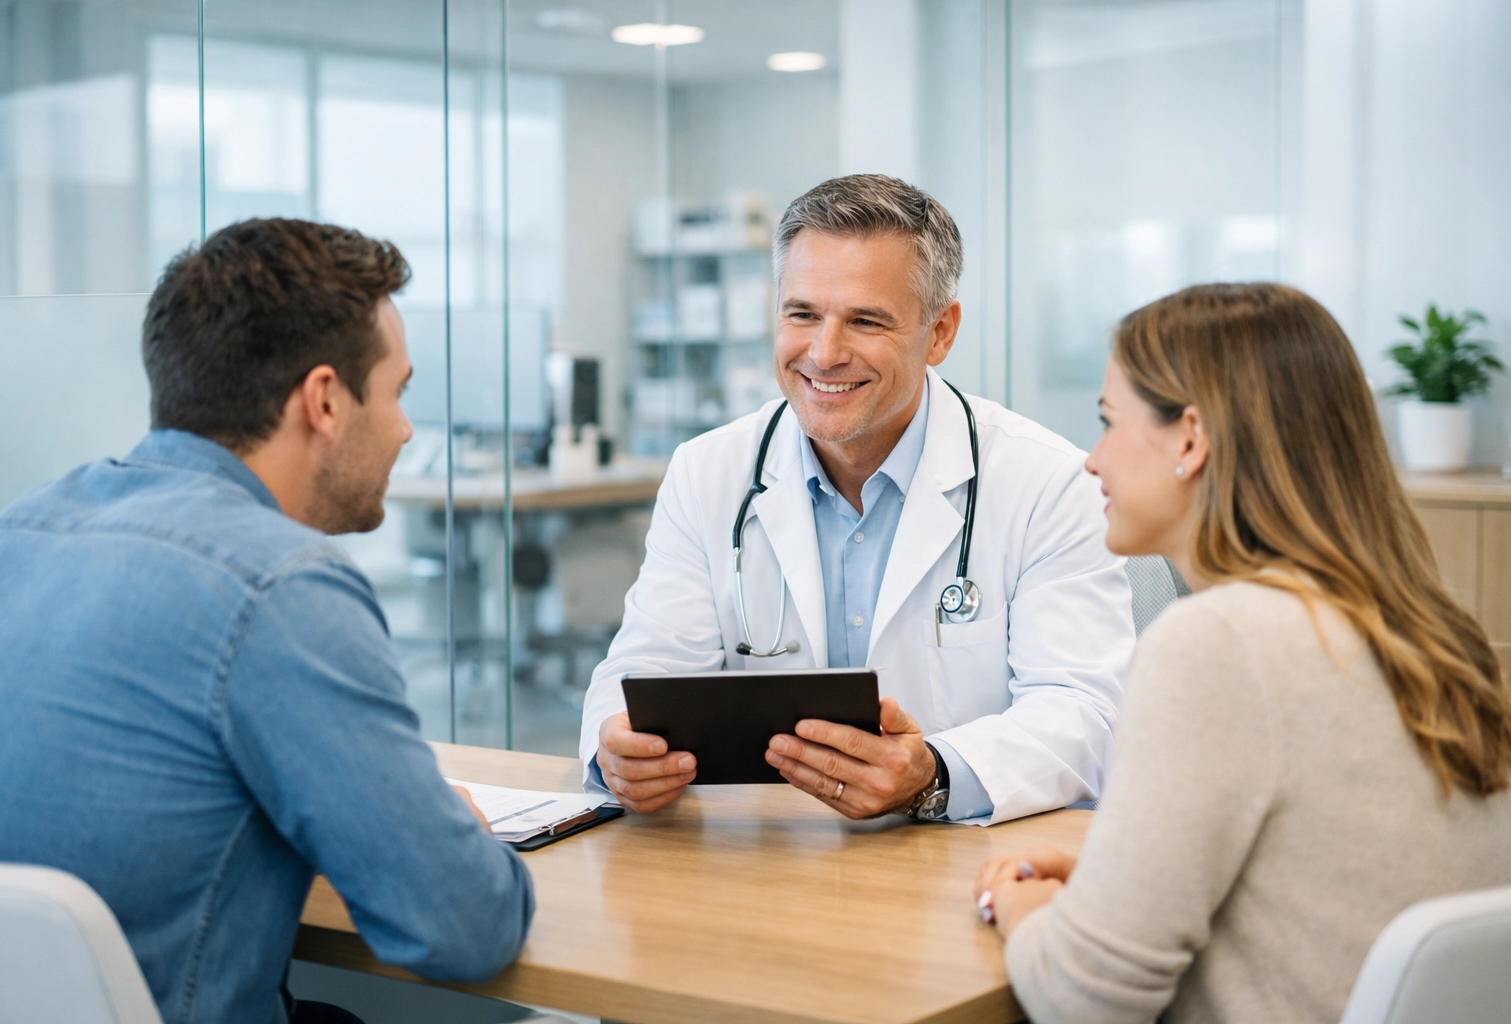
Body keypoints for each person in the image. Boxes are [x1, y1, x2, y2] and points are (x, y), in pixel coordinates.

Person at [0, 219, 535, 1024]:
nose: (408, 429)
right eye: (398, 391)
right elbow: (465, 929)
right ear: (325, 401)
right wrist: (462, 838)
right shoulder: (280, 585)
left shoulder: (13, 534)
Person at [974, 282, 1511, 1023]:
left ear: (1191, 439)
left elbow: (1083, 996)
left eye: (1107, 423)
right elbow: (1326, 871)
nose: (1091, 462)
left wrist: (1021, 907)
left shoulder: (1219, 642)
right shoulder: (1432, 630)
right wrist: (1113, 875)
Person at [581, 174, 1136, 824]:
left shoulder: (1048, 482)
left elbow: (1086, 712)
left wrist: (933, 771)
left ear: (940, 333)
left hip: (959, 865)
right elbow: (644, 671)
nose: (823, 353)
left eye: (865, 320)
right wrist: (617, 749)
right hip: (766, 863)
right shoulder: (708, 472)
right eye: (801, 314)